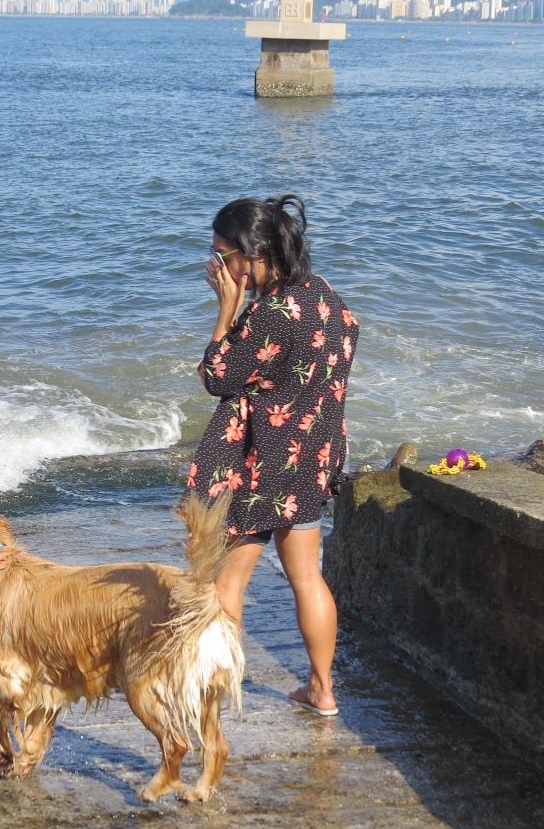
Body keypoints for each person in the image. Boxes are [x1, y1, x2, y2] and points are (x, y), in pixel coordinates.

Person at [186, 193, 359, 717]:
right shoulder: (325, 297)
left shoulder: (270, 314)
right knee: (308, 578)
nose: (218, 266)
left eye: (222, 255)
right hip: (313, 458)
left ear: (252, 253)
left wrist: (227, 308)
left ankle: (216, 699)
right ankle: (323, 690)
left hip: (261, 464)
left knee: (227, 583)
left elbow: (216, 375)